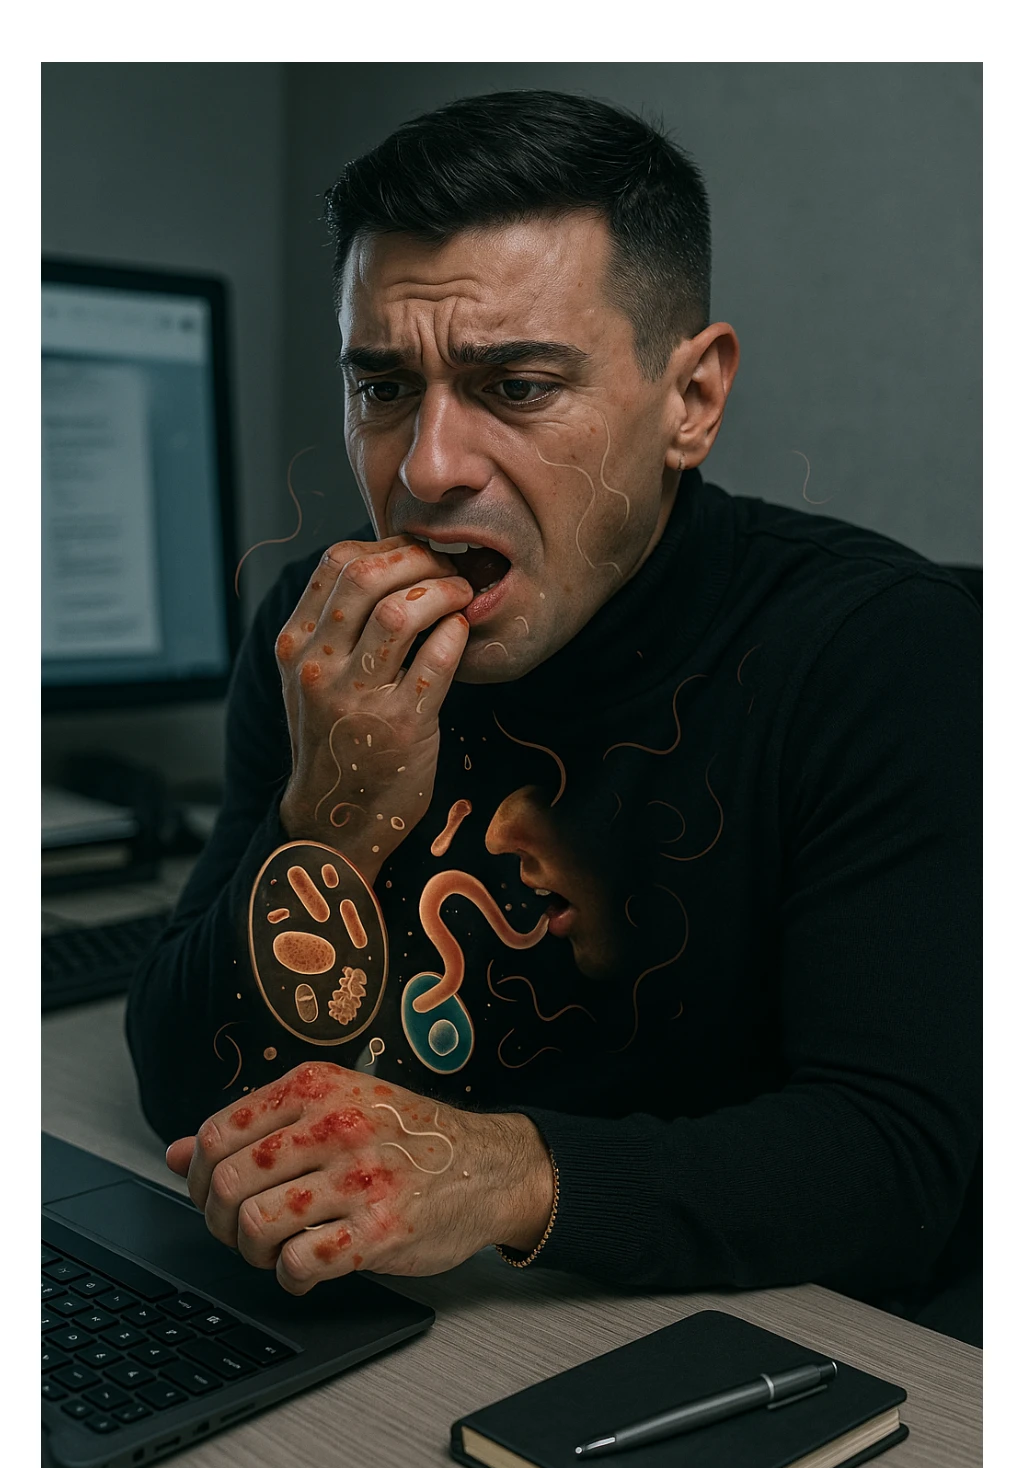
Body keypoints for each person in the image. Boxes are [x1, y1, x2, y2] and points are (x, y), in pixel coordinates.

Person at [128, 90, 981, 1339]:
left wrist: (503, 1172)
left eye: (515, 387)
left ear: (690, 400)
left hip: (737, 1345)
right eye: (381, 387)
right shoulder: (317, 641)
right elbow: (184, 1080)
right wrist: (328, 820)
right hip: (396, 1325)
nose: (425, 469)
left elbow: (904, 1159)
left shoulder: (880, 654)